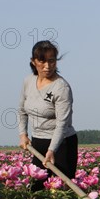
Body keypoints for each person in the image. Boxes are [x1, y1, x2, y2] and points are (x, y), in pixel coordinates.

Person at [18, 41, 78, 191]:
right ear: (33, 61)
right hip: (38, 142)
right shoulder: (28, 81)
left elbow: (61, 125)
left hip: (62, 144)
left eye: (51, 61)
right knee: (35, 189)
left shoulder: (61, 87)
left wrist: (52, 150)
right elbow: (21, 110)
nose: (47, 65)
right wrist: (23, 134)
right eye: (42, 61)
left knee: (62, 190)